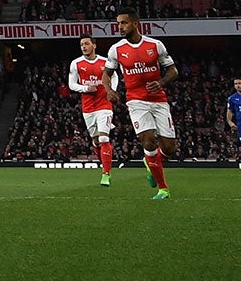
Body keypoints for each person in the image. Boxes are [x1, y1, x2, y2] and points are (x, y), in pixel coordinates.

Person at [106, 11, 177, 200]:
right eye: (118, 23)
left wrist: (161, 83)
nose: (120, 27)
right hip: (135, 100)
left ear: (136, 23)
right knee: (148, 139)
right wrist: (109, 90)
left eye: (124, 23)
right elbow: (107, 73)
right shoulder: (116, 49)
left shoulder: (155, 45)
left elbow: (173, 70)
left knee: (169, 148)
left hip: (159, 99)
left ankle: (150, 162)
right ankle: (163, 189)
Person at [67, 35, 114, 185]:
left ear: (94, 45)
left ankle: (106, 174)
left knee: (104, 138)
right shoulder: (76, 63)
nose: (84, 47)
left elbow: (115, 77)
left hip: (104, 105)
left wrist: (111, 90)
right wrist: (86, 88)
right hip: (88, 107)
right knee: (95, 140)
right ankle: (104, 165)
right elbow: (72, 85)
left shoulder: (105, 62)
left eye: (87, 44)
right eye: (82, 45)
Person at [225, 76, 241, 171]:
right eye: (236, 84)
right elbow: (229, 111)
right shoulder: (232, 98)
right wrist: (230, 122)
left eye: (239, 83)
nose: (238, 86)